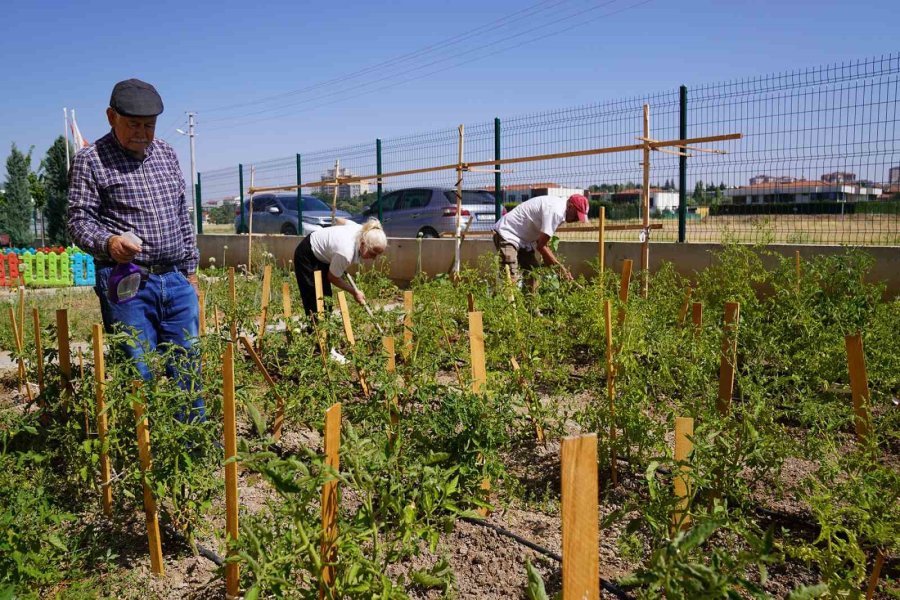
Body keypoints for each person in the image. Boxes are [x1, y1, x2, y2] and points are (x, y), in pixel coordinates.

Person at [68, 78, 204, 422]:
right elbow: (78, 221)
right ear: (111, 116)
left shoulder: (167, 154)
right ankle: (142, 447)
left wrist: (191, 273)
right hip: (127, 282)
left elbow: (181, 215)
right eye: (133, 124)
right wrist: (110, 243)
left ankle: (191, 442)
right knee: (137, 368)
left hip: (174, 279)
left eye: (149, 125)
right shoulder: (91, 160)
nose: (142, 133)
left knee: (187, 363)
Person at [293, 218, 387, 317]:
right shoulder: (345, 253)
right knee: (314, 299)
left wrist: (332, 239)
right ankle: (314, 330)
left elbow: (339, 220)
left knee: (325, 299)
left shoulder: (364, 230)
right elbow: (332, 277)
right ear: (363, 243)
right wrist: (354, 292)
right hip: (307, 255)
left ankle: (324, 328)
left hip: (324, 255)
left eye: (377, 255)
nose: (373, 258)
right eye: (372, 253)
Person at [492, 194, 589, 288]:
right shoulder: (556, 211)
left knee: (533, 273)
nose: (576, 219)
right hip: (508, 233)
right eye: (576, 215)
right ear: (570, 206)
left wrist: (556, 268)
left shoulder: (561, 209)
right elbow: (541, 246)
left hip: (523, 240)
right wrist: (560, 270)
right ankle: (503, 303)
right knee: (510, 276)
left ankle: (530, 304)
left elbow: (540, 241)